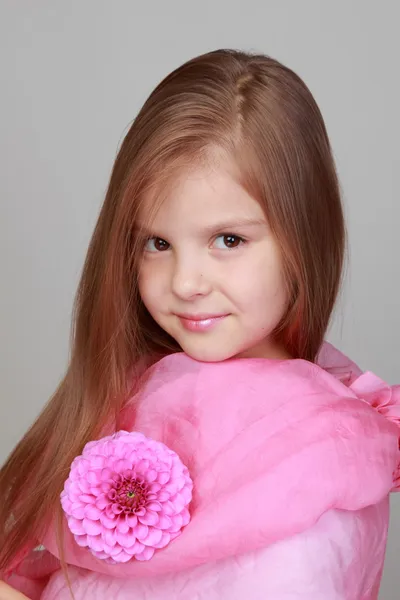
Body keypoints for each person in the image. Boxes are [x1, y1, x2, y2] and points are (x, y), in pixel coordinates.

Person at [0, 48, 398, 600]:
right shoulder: (140, 392)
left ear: (305, 238)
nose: (186, 282)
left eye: (228, 240)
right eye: (157, 243)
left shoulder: (315, 463)